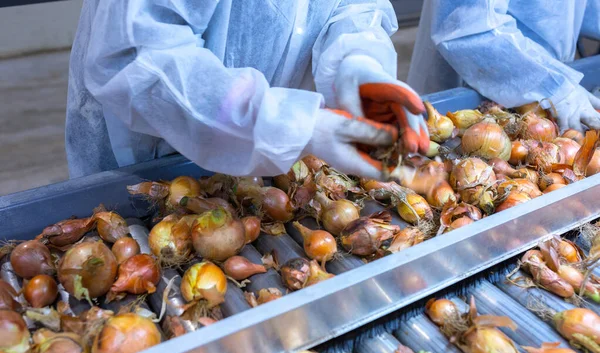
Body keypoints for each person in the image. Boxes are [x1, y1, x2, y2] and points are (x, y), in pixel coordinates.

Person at [65, 0, 429, 180]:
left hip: (273, 158)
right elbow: (142, 57)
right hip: (151, 149)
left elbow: (347, 5)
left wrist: (356, 61)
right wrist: (288, 126)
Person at [408, 0, 600, 133]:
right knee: (454, 148)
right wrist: (551, 84)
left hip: (548, 84)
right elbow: (468, 26)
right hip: (469, 79)